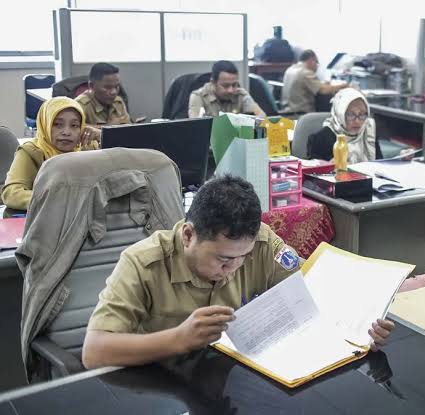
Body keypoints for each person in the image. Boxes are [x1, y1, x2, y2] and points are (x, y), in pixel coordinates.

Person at [82, 175, 394, 369]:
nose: (234, 268)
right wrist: (178, 339)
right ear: (188, 235)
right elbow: (94, 351)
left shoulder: (259, 242)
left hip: (237, 373)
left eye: (243, 257)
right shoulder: (142, 262)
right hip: (162, 381)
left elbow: (312, 291)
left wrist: (360, 331)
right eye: (223, 259)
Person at [2, 97, 98, 214]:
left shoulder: (88, 148)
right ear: (45, 124)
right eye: (57, 124)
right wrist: (58, 200)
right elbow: (11, 193)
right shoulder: (32, 151)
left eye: (74, 125)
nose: (66, 132)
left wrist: (102, 136)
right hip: (46, 218)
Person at [307, 88, 382, 163]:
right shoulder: (320, 139)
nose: (357, 121)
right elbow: (311, 167)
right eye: (351, 115)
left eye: (362, 114)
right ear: (340, 114)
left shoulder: (368, 132)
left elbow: (380, 163)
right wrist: (328, 166)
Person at [189, 60, 265, 118]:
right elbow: (195, 126)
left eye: (234, 85)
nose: (231, 90)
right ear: (213, 82)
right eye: (225, 86)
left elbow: (262, 119)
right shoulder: (198, 96)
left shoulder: (241, 95)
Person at [282, 49, 347, 113]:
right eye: (316, 62)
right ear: (311, 60)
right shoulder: (305, 72)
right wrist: (343, 86)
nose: (317, 66)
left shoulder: (290, 69)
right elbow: (324, 90)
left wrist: (325, 85)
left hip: (287, 111)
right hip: (300, 113)